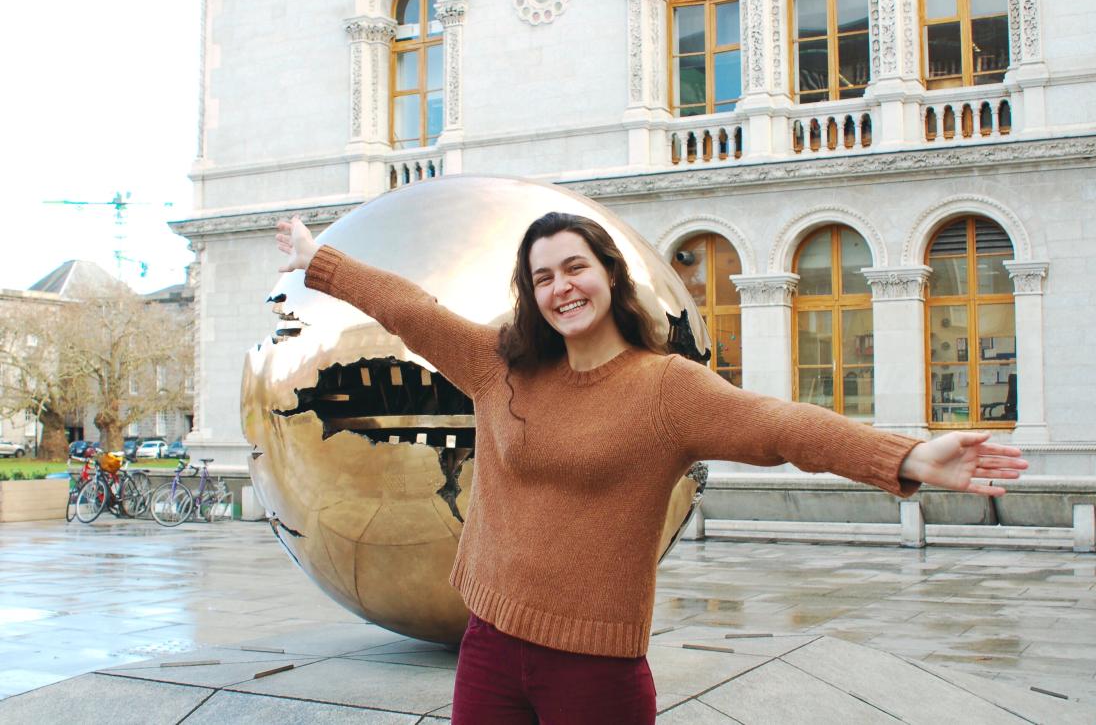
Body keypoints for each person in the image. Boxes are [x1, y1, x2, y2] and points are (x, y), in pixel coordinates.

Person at [276, 211, 1026, 724]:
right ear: (531, 295)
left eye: (576, 267)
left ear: (609, 274)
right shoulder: (500, 363)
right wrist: (321, 260)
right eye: (543, 277)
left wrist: (907, 454)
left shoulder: (666, 388)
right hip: (490, 646)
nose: (562, 287)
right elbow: (413, 309)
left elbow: (778, 426)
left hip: (595, 671)